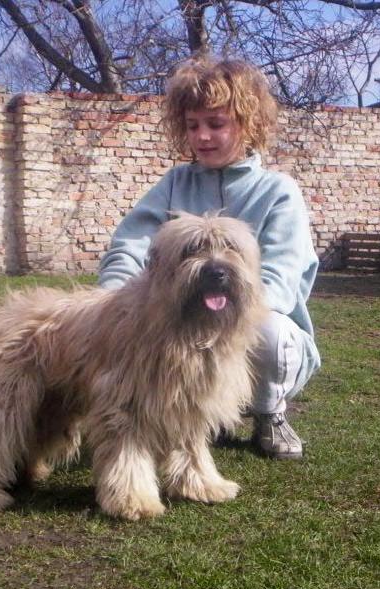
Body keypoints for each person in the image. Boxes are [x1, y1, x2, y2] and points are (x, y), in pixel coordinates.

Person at [98, 55, 321, 459]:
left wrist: (232, 318)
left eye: (216, 124)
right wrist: (111, 299)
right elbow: (131, 243)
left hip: (250, 317)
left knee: (269, 333)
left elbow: (280, 277)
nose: (202, 136)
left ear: (248, 124)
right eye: (193, 125)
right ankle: (189, 412)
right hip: (184, 315)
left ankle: (269, 414)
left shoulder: (278, 192)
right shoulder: (174, 183)